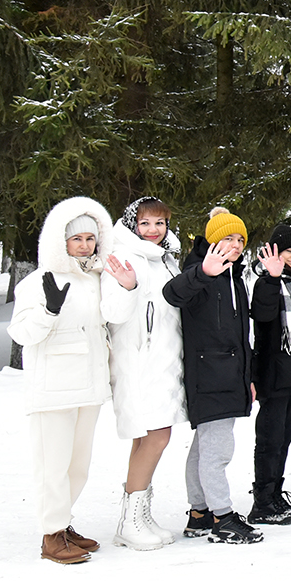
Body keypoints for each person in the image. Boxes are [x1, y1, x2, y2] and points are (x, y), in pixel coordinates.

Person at [10, 197, 133, 563]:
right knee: (53, 465)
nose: (84, 245)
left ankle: (63, 524)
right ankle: (51, 534)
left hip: (89, 387)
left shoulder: (97, 279)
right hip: (53, 389)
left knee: (77, 465)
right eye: (76, 238)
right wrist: (48, 311)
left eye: (90, 238)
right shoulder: (38, 281)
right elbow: (21, 334)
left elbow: (111, 320)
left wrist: (125, 287)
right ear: (60, 240)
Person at [163, 208, 263, 544]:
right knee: (217, 450)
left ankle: (200, 513)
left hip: (230, 375)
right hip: (208, 374)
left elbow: (239, 336)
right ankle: (223, 517)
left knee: (204, 448)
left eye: (239, 240)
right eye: (227, 238)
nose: (235, 245)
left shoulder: (235, 277)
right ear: (210, 240)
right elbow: (173, 293)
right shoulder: (199, 271)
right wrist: (204, 271)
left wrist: (247, 377)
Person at [102, 197, 184, 551]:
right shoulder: (123, 256)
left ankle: (139, 515)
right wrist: (127, 287)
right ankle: (130, 520)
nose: (153, 230)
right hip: (140, 361)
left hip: (166, 360)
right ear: (132, 223)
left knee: (148, 438)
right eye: (146, 223)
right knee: (155, 436)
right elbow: (113, 314)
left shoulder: (166, 260)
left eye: (160, 224)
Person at [247, 225, 291, 525]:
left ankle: (276, 493)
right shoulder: (266, 281)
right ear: (274, 250)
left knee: (285, 436)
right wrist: (272, 276)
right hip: (273, 372)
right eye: (289, 250)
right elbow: (262, 316)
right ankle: (262, 501)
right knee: (270, 438)